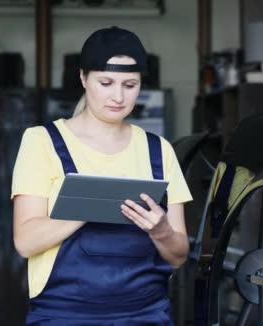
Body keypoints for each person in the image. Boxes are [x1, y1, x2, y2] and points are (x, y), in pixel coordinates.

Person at [11, 26, 192, 325]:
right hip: (64, 314)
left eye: (130, 84)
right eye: (106, 82)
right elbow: (25, 242)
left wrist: (161, 231)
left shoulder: (158, 151)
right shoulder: (42, 142)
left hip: (145, 314)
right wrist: (90, 203)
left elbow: (179, 255)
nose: (118, 96)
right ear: (83, 78)